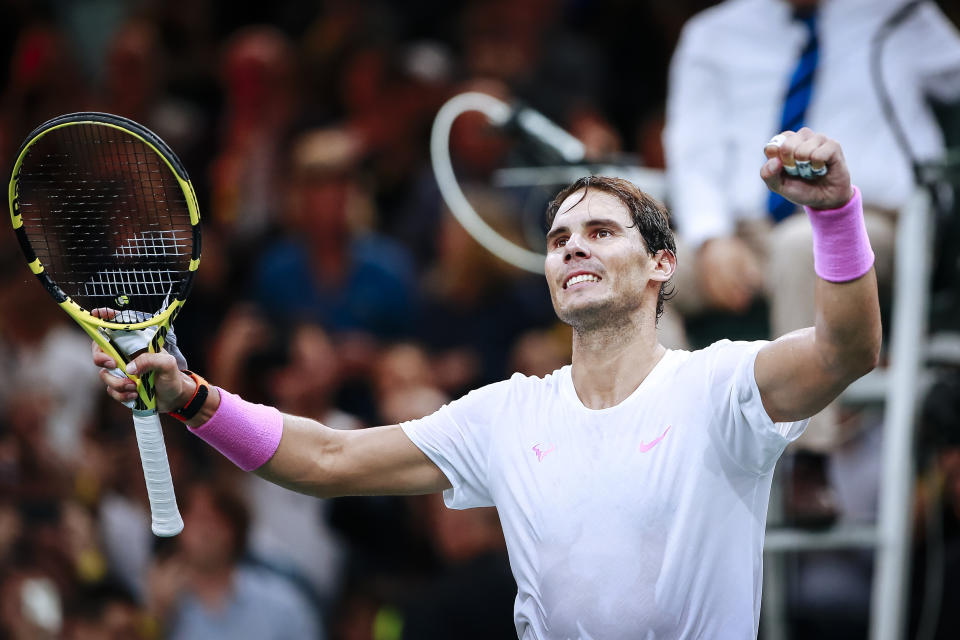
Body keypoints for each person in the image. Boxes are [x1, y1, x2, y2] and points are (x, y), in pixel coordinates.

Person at [94, 129, 880, 638]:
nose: (573, 248)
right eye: (558, 238)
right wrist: (195, 400)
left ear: (661, 266)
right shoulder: (507, 413)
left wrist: (837, 214)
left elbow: (846, 350)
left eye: (601, 231)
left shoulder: (719, 385)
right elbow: (327, 461)